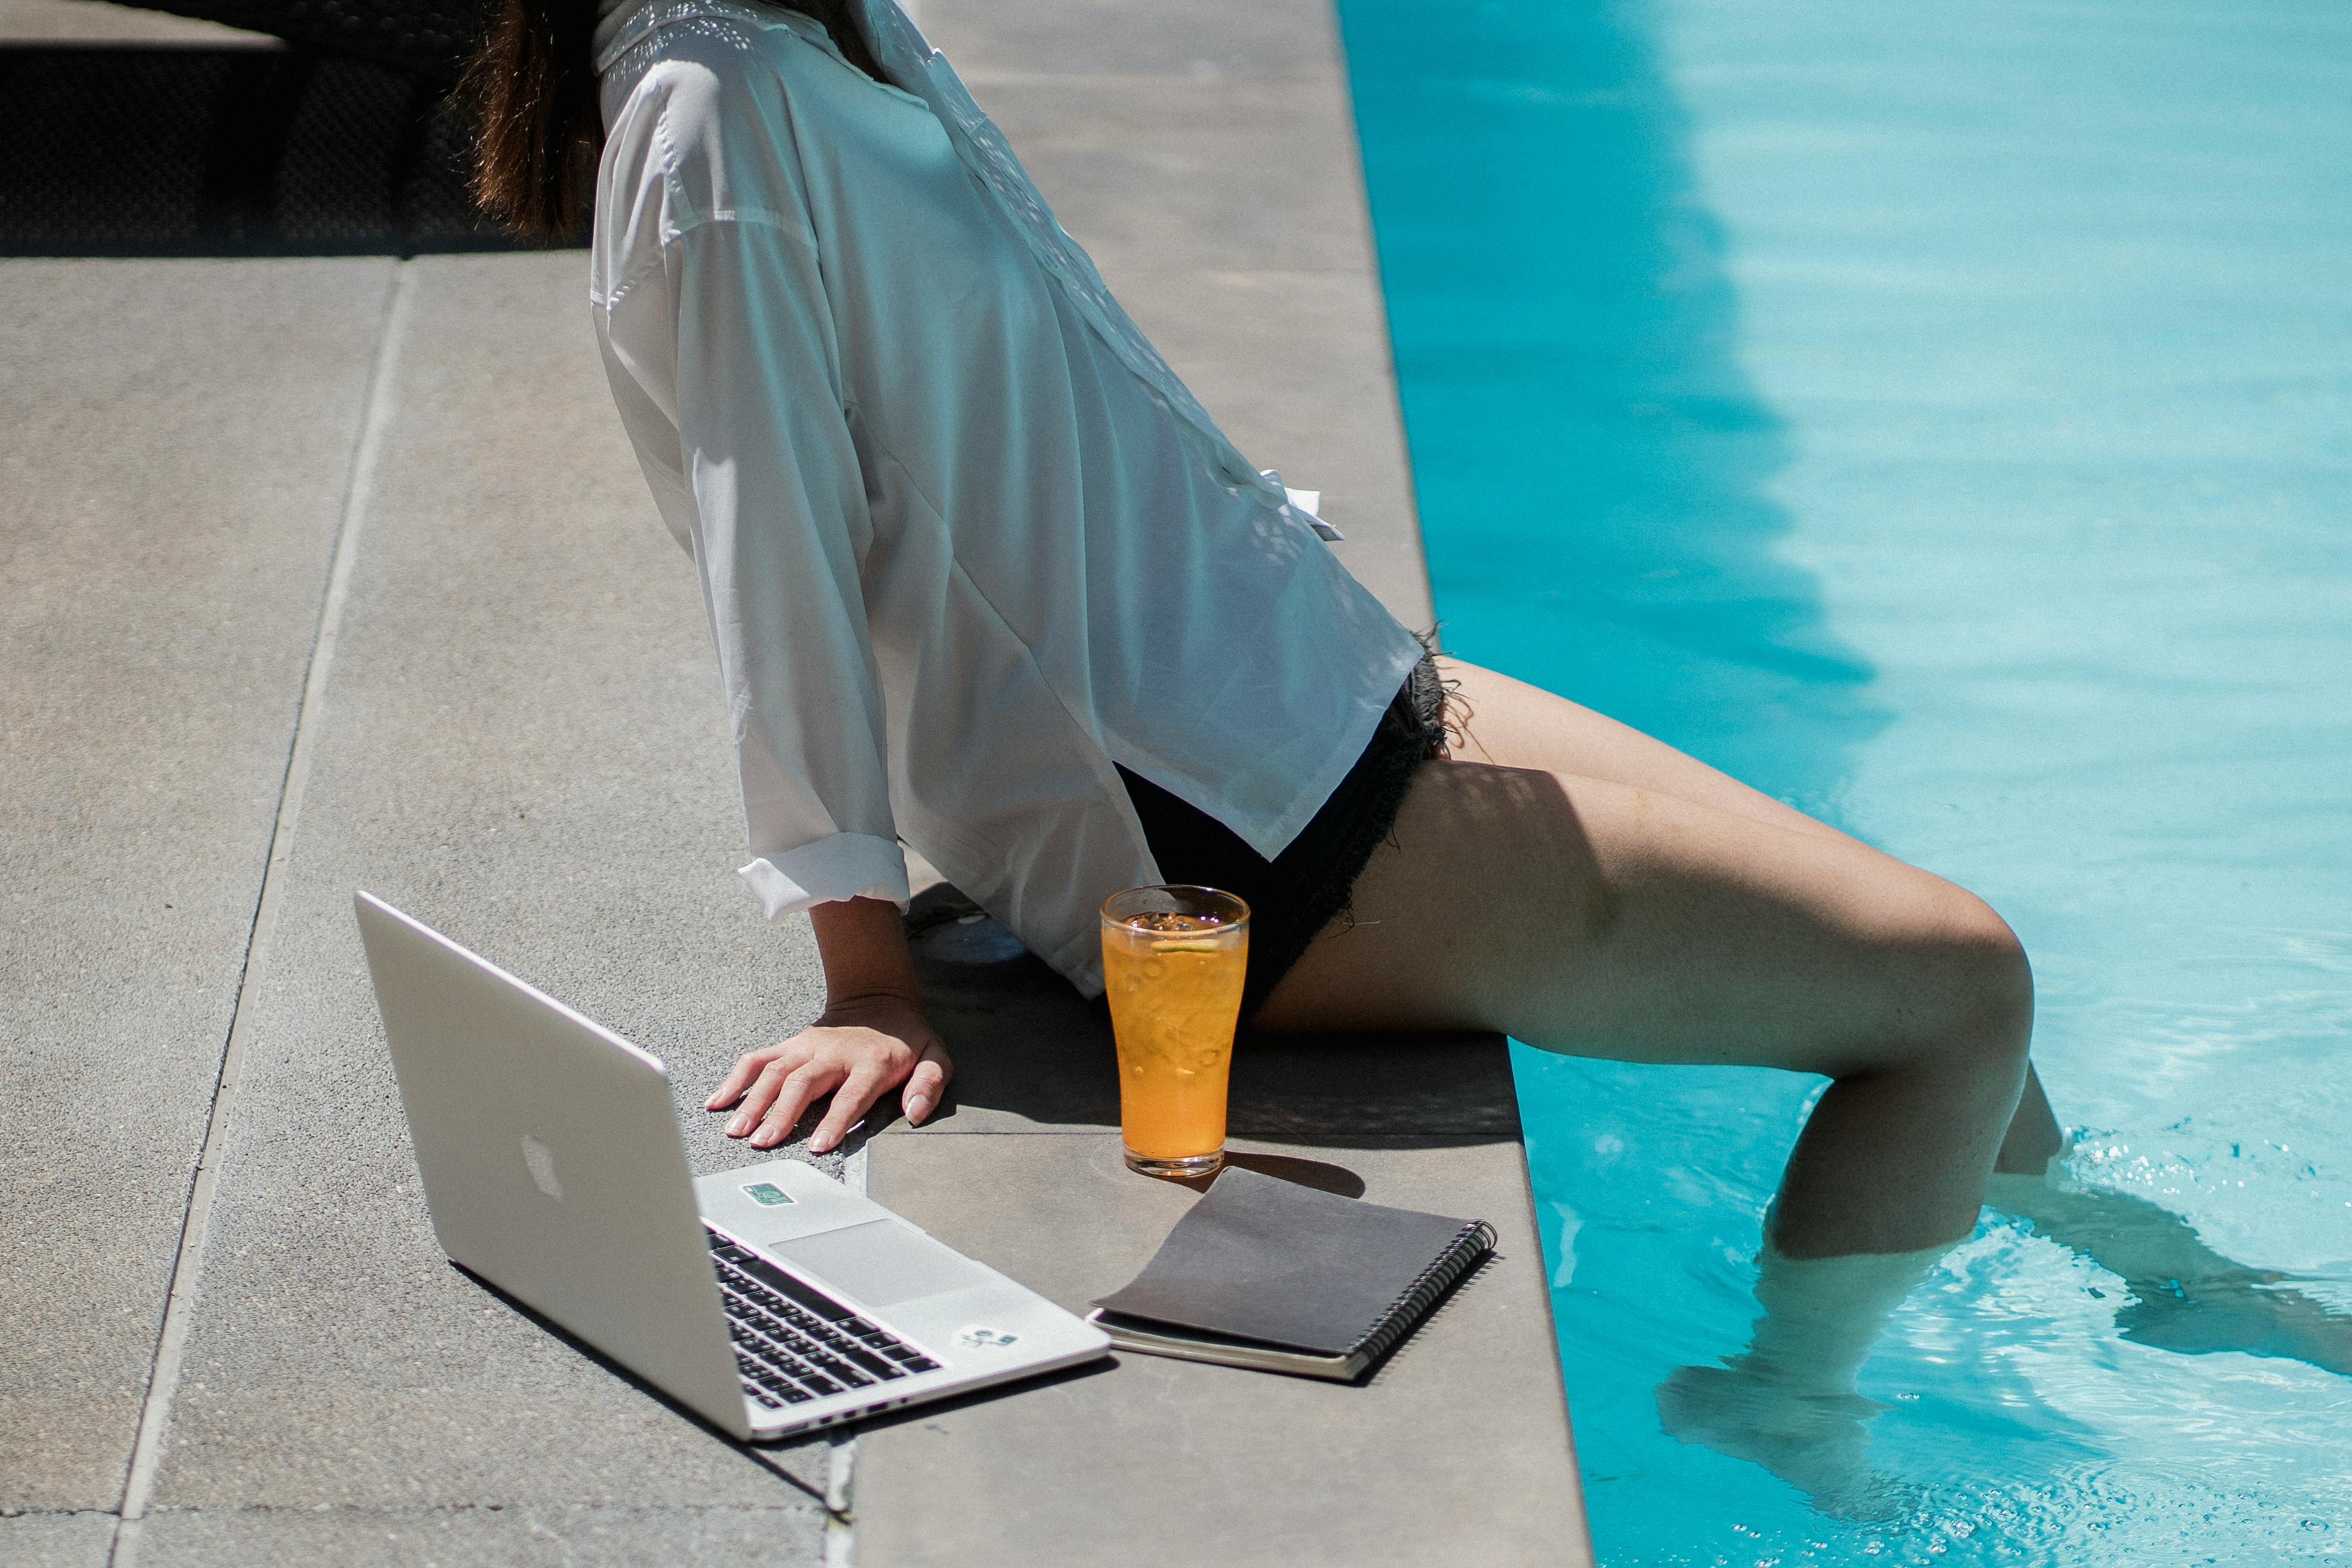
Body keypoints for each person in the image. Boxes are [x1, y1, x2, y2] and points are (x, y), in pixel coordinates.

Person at [460, 0, 2347, 1511]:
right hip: (1218, 826)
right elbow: (766, 553)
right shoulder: (714, 119)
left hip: (1305, 678)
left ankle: (2145, 1265)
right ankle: (1782, 1410)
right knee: (1958, 985)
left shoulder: (828, 31)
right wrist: (866, 969)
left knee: (1914, 937)